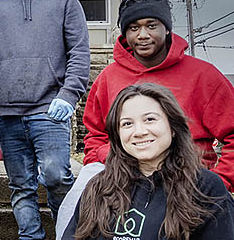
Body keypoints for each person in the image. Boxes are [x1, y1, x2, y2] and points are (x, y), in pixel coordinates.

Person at [56, 0, 234, 236]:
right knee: (75, 205)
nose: (142, 35)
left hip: (184, 175)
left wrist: (221, 180)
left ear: (167, 28)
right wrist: (104, 163)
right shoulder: (109, 77)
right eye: (133, 27)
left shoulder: (204, 76)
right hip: (120, 172)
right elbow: (95, 133)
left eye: (151, 25)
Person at [0, 0, 90, 239]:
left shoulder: (65, 2)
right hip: (9, 113)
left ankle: (65, 231)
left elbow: (79, 52)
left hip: (50, 110)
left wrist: (69, 95)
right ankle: (31, 236)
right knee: (20, 185)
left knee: (56, 177)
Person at [62, 83, 234, 239]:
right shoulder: (99, 187)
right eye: (127, 124)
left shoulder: (206, 188)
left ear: (173, 127)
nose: (139, 131)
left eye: (150, 119)